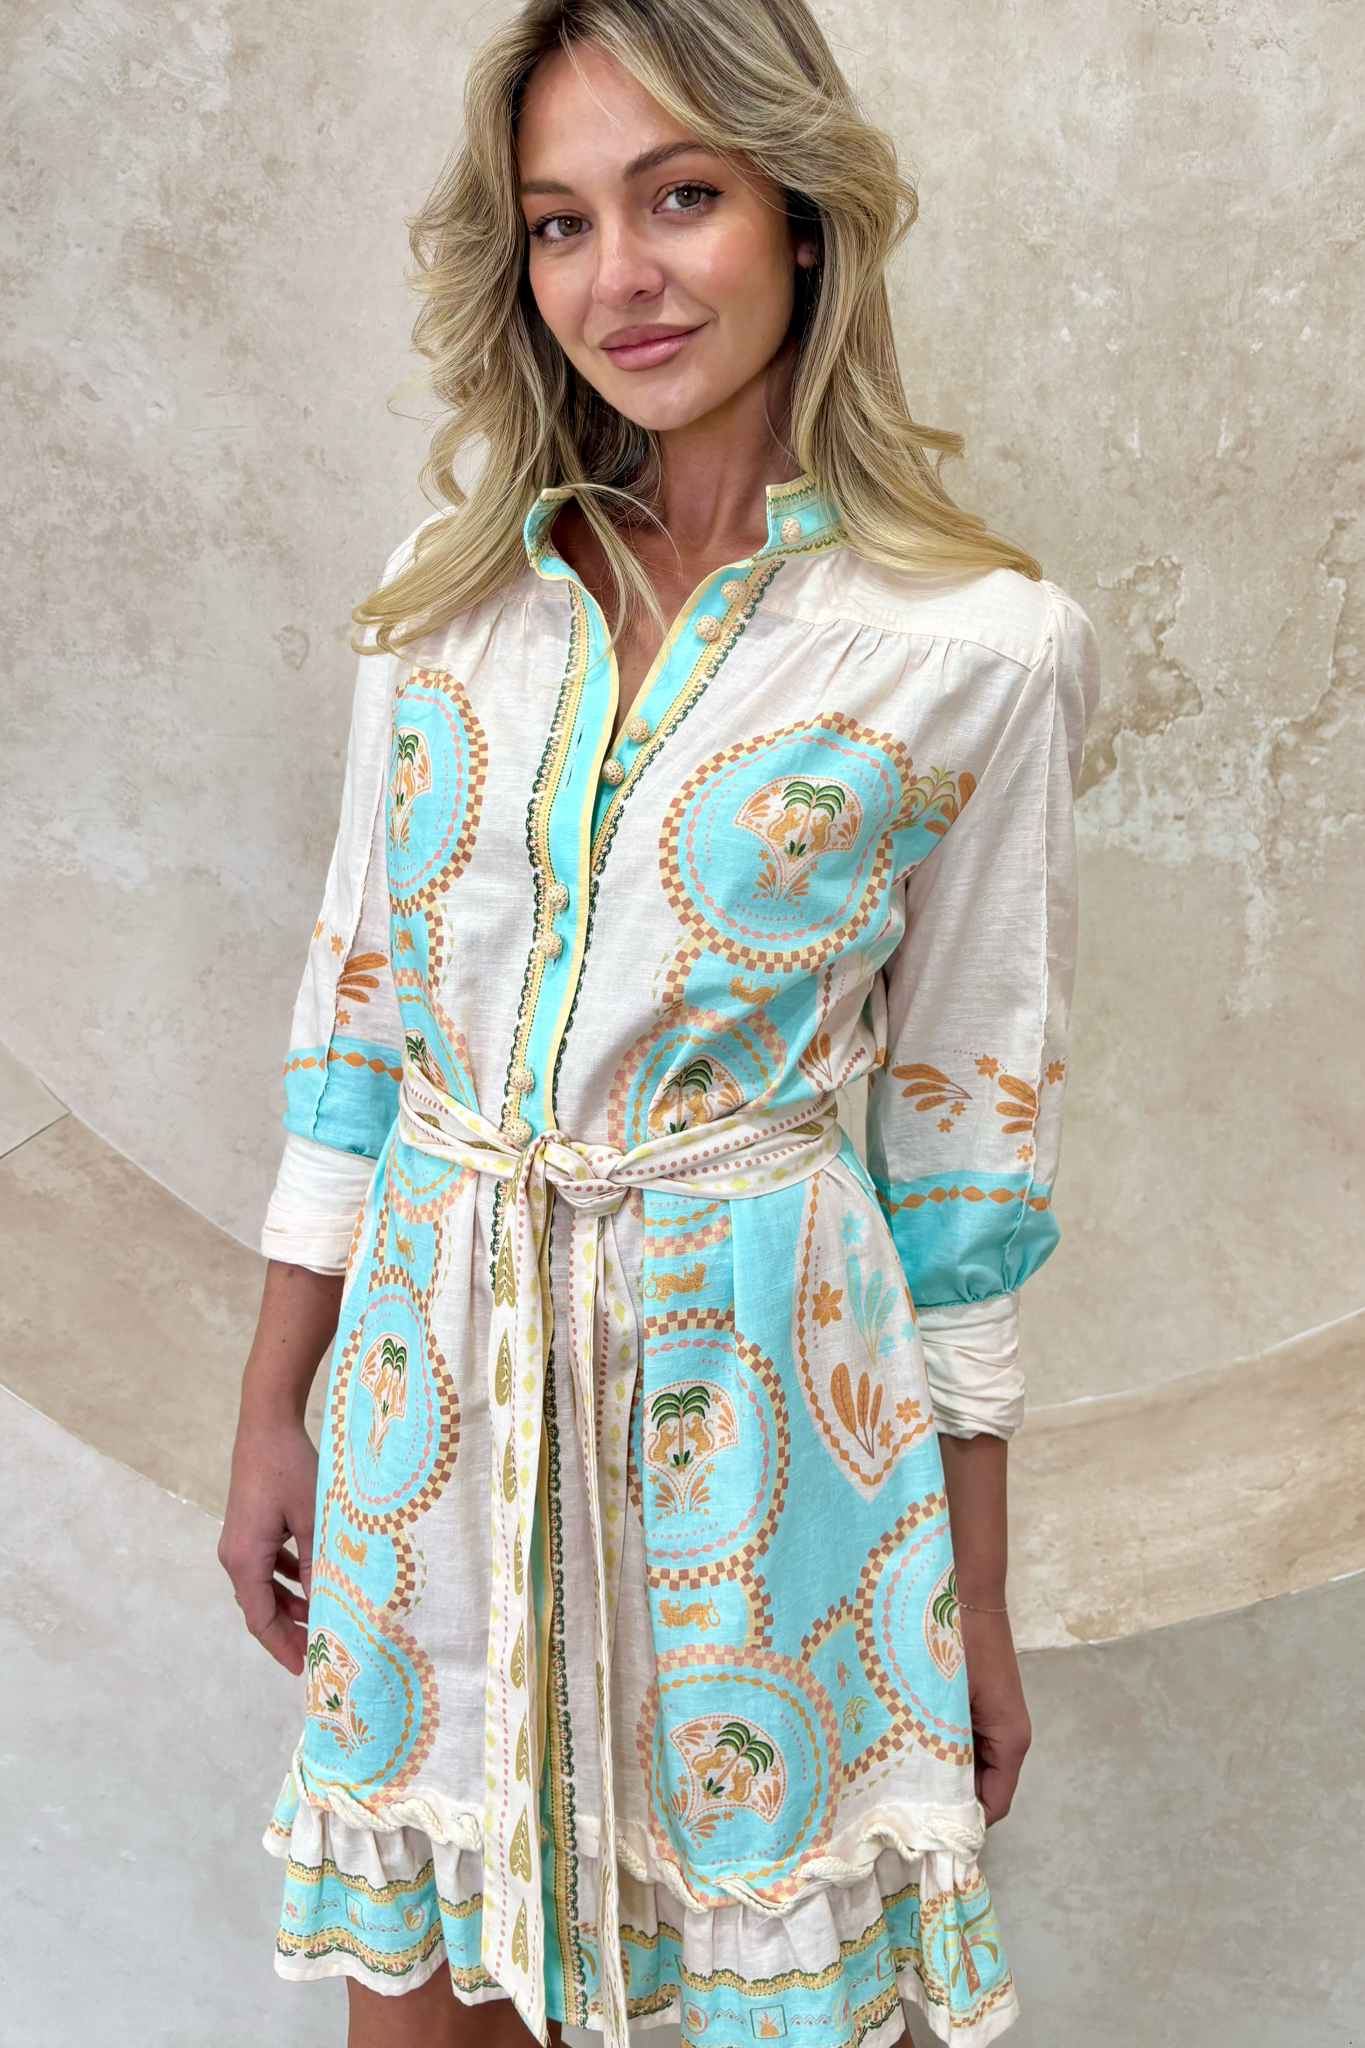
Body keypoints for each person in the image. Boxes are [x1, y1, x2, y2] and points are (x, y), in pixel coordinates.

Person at [219, 3, 1099, 2044]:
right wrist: (275, 1406)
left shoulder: (974, 648)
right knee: (423, 1994)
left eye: (679, 195)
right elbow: (355, 1035)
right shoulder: (440, 609)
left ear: (802, 213)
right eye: (559, 221)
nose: (617, 275)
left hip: (764, 1431)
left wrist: (973, 1593)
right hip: (432, 1402)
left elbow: (966, 1168)